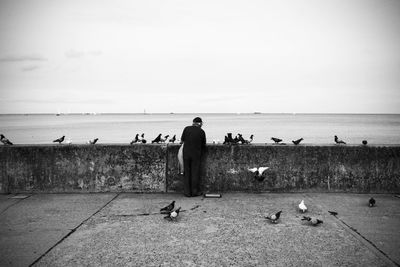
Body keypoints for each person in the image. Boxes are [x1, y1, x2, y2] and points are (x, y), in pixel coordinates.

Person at [180, 117, 206, 197]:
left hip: (186, 153)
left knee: (187, 172)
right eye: (201, 123)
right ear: (200, 123)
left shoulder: (186, 129)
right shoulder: (201, 131)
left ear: (193, 122)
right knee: (195, 172)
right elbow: (203, 144)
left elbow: (182, 140)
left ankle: (187, 192)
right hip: (196, 154)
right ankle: (194, 192)